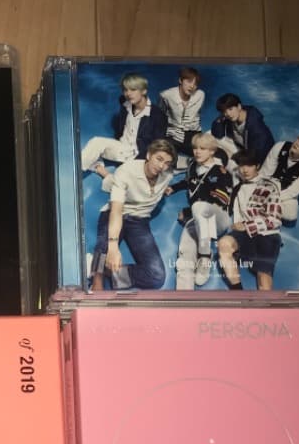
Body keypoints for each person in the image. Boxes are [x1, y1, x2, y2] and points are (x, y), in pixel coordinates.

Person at [88, 139, 177, 291]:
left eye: (167, 163)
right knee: (104, 247)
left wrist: (167, 189)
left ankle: (107, 271)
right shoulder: (127, 171)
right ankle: (97, 276)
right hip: (117, 212)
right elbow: (116, 210)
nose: (161, 166)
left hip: (139, 221)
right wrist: (113, 247)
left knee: (156, 277)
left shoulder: (167, 175)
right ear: (148, 155)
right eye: (159, 159)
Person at [167, 133, 233, 289]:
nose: (197, 152)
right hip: (199, 220)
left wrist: (189, 212)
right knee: (185, 252)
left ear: (212, 151)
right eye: (195, 148)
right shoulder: (193, 166)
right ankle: (183, 295)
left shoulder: (221, 172)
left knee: (198, 207)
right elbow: (190, 182)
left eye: (203, 148)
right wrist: (173, 188)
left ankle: (205, 256)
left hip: (218, 218)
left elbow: (221, 200)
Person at [217, 151, 283, 290]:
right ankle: (237, 292)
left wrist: (247, 225)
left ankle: (264, 304)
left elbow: (274, 220)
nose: (244, 170)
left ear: (257, 166)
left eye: (249, 165)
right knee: (223, 244)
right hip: (244, 235)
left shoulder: (269, 186)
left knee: (263, 280)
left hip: (266, 234)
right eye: (241, 165)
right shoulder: (238, 187)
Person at [81, 73, 167, 173]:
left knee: (123, 175)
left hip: (138, 155)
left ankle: (99, 168)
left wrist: (140, 163)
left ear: (144, 91)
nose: (128, 94)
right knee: (96, 142)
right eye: (125, 90)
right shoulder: (125, 103)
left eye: (133, 90)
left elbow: (157, 146)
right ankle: (78, 169)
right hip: (121, 147)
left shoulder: (158, 115)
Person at [259, 130, 299, 222]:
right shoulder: (280, 146)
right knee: (249, 191)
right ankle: (265, 208)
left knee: (291, 215)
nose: (298, 143)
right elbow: (265, 173)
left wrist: (272, 199)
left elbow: (293, 190)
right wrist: (261, 190)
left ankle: (264, 208)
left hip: (286, 191)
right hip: (270, 183)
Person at [211, 93, 274, 166]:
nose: (228, 114)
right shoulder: (232, 117)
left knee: (222, 157)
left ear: (239, 106)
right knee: (210, 138)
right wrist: (222, 117)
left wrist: (234, 157)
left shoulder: (257, 127)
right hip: (243, 150)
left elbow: (257, 156)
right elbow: (217, 134)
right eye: (224, 111)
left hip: (260, 161)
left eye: (230, 109)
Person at [158, 67, 205, 157]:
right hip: (173, 135)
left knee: (210, 154)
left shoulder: (200, 95)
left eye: (195, 84)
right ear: (180, 80)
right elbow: (160, 117)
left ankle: (192, 161)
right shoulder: (166, 95)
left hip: (193, 135)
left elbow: (197, 115)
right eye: (189, 81)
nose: (192, 86)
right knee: (166, 155)